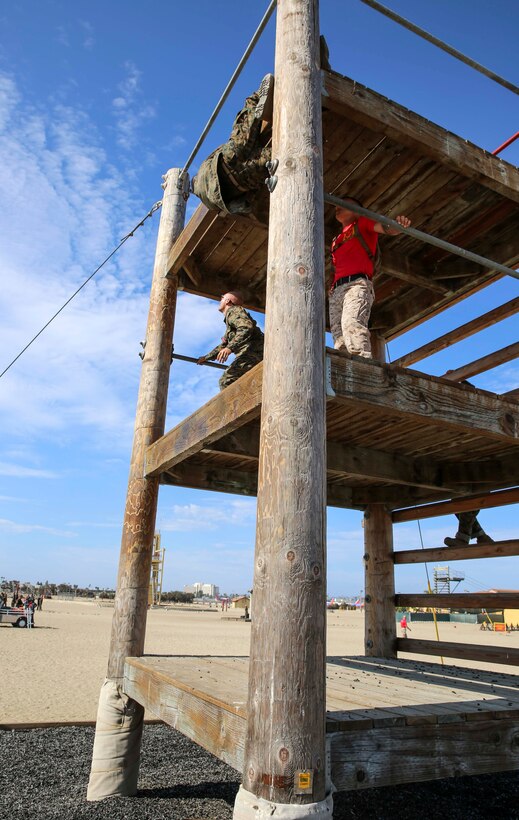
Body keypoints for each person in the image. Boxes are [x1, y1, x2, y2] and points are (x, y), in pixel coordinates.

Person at [329, 198, 411, 359]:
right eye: (337, 206)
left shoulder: (362, 223)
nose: (338, 207)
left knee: (352, 325)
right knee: (339, 337)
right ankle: (345, 370)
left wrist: (398, 226)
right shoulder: (335, 241)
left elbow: (386, 228)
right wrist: (331, 287)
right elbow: (336, 267)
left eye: (345, 205)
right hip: (337, 289)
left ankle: (362, 367)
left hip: (356, 284)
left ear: (358, 210)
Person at [192, 75, 274, 218]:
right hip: (227, 159)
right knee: (245, 125)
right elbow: (217, 153)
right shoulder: (202, 171)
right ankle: (256, 99)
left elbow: (242, 206)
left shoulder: (211, 203)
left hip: (243, 180)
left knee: (277, 155)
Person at [197, 291, 264, 390]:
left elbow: (246, 327)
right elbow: (224, 345)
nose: (220, 300)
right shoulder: (231, 320)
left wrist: (229, 348)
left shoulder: (234, 311)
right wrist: (206, 357)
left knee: (226, 381)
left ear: (227, 301)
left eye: (222, 298)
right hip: (252, 354)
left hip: (254, 353)